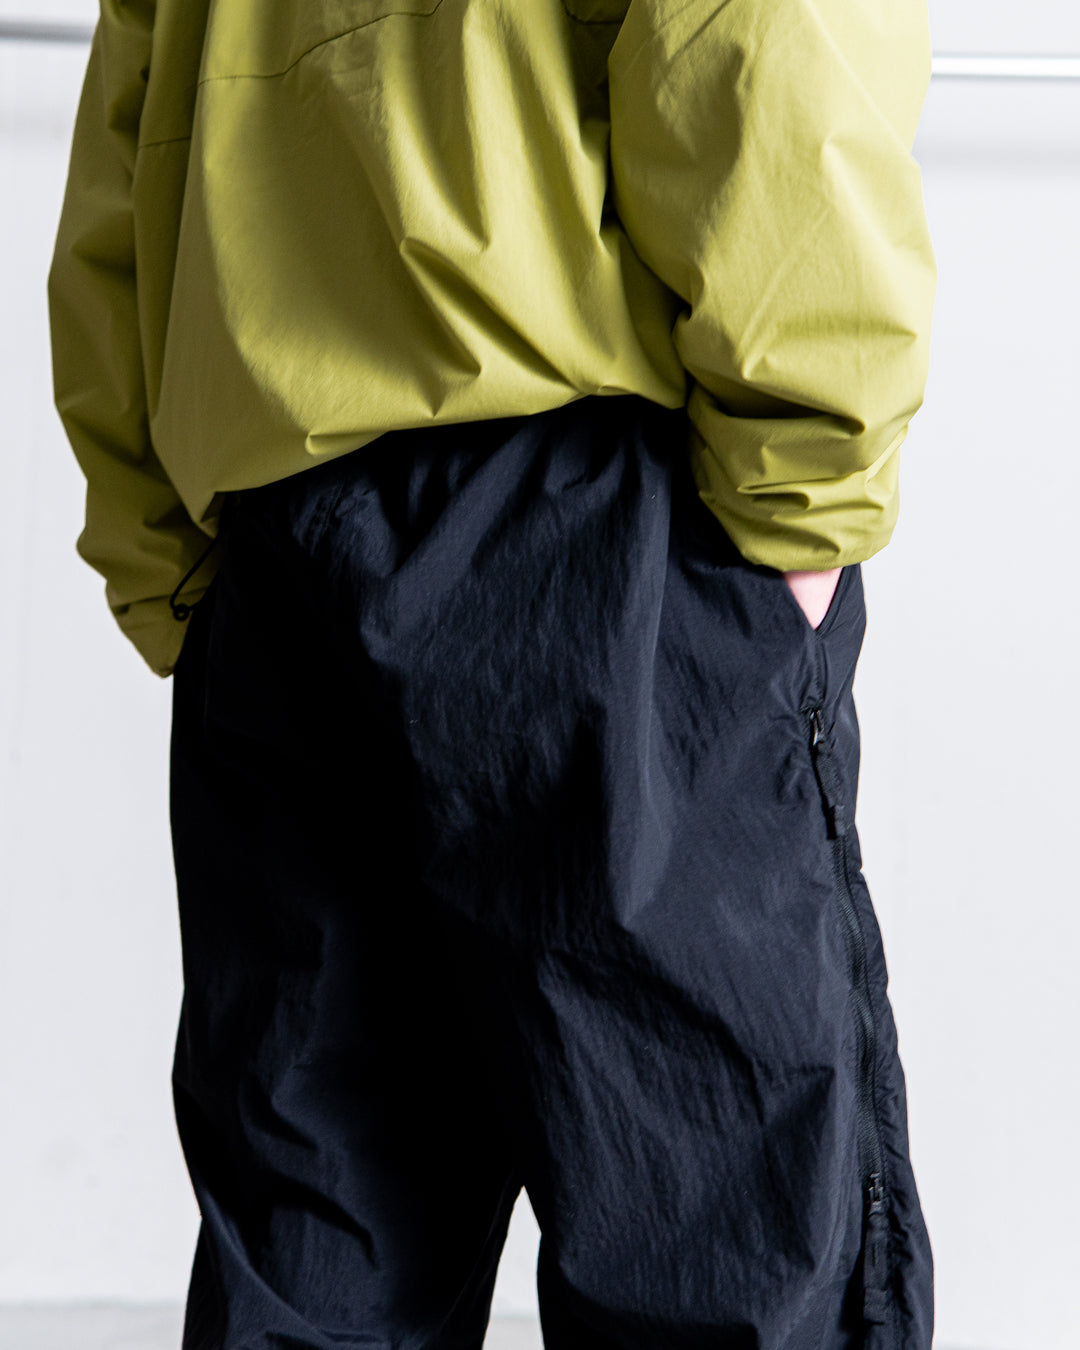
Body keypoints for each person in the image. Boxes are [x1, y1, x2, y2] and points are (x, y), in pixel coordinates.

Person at [48, 1, 938, 1346]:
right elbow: (760, 34)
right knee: (717, 1247)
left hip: (282, 533)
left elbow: (134, 121)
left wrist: (161, 546)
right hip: (603, 528)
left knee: (317, 1257)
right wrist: (807, 487)